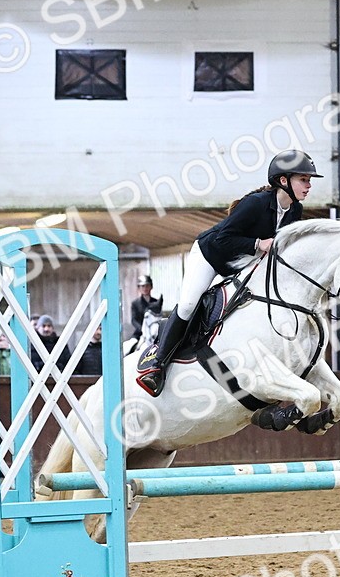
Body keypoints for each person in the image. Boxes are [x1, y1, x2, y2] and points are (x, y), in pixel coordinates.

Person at [136, 149, 322, 396]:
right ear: (284, 181)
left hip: (241, 263)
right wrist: (258, 244)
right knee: (190, 304)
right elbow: (224, 239)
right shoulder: (255, 204)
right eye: (304, 180)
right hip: (210, 255)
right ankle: (157, 364)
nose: (308, 186)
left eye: (309, 181)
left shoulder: (294, 211)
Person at [130, 274, 164, 341]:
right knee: (129, 345)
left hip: (155, 333)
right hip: (140, 333)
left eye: (147, 286)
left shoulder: (156, 302)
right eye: (142, 286)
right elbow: (134, 320)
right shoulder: (135, 303)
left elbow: (159, 318)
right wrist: (142, 329)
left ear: (151, 287)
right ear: (139, 288)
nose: (145, 288)